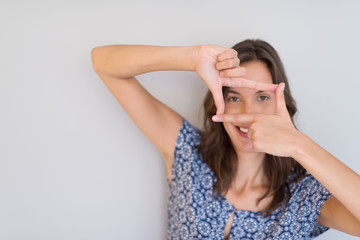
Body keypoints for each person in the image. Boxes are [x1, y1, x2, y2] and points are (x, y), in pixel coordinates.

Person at [91, 39, 360, 239]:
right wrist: (191, 57)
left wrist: (298, 144)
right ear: (218, 102)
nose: (247, 113)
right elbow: (102, 61)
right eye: (234, 97)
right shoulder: (187, 153)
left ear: (283, 106)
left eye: (262, 97)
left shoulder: (306, 197)